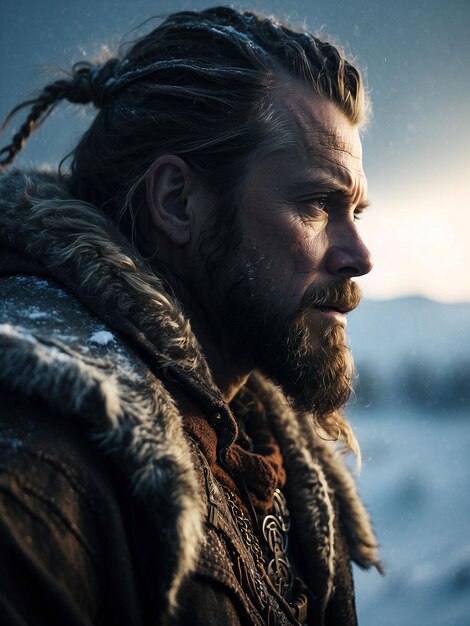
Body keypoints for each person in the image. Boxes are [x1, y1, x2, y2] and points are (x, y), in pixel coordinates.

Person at [0, 6, 382, 625]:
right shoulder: (41, 450)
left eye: (356, 212)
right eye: (318, 203)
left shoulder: (268, 437)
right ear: (177, 201)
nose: (360, 256)